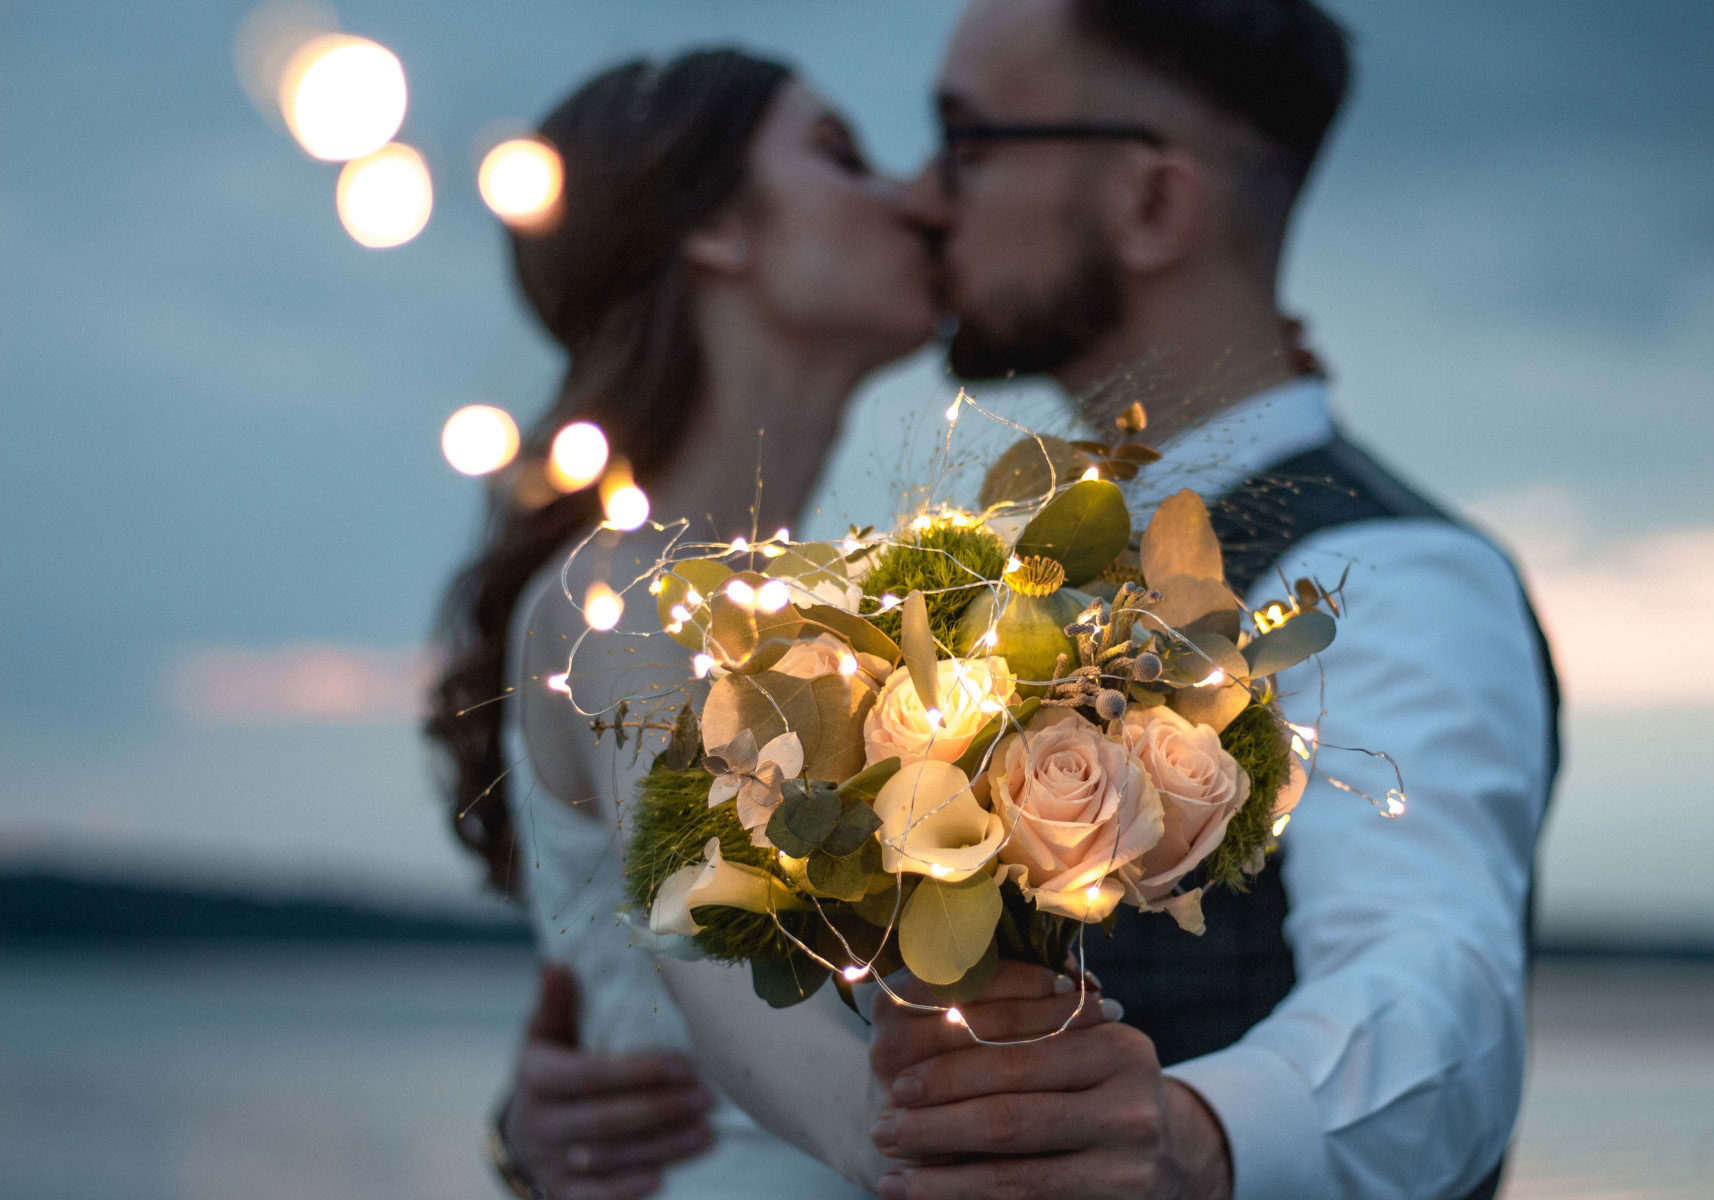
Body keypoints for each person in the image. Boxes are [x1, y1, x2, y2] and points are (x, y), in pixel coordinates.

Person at [653, 2, 1561, 1198]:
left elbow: (1440, 991)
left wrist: (1199, 1134)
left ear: (1151, 206)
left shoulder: (1379, 574)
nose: (924, 196)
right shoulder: (1023, 565)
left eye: (968, 143)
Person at [425, 49, 938, 1199]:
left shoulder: (828, 607)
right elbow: (714, 942)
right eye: (842, 157)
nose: (915, 197)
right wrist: (937, 1151)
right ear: (716, 229)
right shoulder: (619, 591)